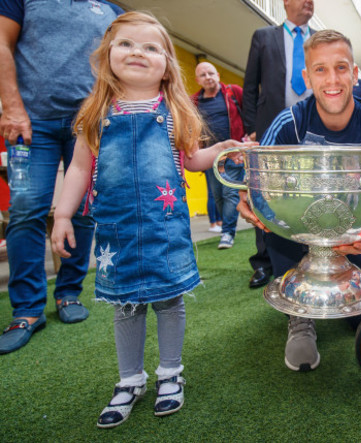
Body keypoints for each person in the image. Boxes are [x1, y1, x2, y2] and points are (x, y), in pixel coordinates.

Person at [50, 12, 251, 428]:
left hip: (166, 228)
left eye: (151, 47)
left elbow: (193, 160)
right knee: (125, 305)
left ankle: (170, 374)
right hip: (116, 233)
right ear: (107, 56)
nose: (138, 52)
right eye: (126, 44)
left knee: (169, 300)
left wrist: (224, 148)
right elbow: (78, 169)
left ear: (165, 67)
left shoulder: (176, 112)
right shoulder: (94, 115)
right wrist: (63, 213)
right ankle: (129, 380)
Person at [237, 29, 361, 371]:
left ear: (355, 74)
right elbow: (254, 182)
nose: (332, 79)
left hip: (351, 235)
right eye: (320, 70)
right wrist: (248, 200)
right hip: (299, 237)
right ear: (306, 77)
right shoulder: (288, 123)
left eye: (341, 68)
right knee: (279, 231)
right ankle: (299, 315)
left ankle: (355, 289)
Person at [0, 0, 123, 354]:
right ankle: (27, 308)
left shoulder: (110, 9)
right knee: (25, 209)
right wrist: (11, 106)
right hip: (30, 122)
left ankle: (69, 292)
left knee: (84, 208)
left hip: (89, 122)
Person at [242, 0, 315, 289]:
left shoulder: (318, 41)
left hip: (312, 129)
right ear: (286, 2)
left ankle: (312, 252)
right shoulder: (264, 36)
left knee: (310, 191)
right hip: (272, 128)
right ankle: (264, 261)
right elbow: (250, 86)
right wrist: (251, 130)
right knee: (266, 192)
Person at [191, 61, 246, 249]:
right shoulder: (194, 102)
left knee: (230, 192)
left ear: (218, 75)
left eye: (211, 73)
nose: (208, 77)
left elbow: (250, 112)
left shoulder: (233, 93)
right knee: (218, 196)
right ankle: (226, 226)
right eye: (203, 75)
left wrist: (251, 134)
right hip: (209, 156)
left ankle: (227, 233)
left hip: (233, 152)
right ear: (198, 80)